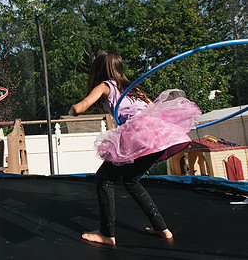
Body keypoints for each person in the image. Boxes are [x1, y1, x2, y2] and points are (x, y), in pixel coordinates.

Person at [69, 51, 201, 245]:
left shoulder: (105, 85)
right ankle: (161, 228)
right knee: (131, 180)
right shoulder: (134, 89)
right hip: (156, 135)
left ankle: (107, 233)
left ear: (98, 70)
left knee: (104, 178)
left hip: (137, 135)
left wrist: (72, 109)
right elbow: (153, 109)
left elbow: (82, 106)